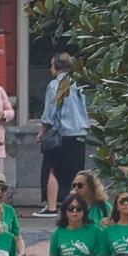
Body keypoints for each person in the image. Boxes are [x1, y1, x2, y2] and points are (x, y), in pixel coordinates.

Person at [37, 52, 91, 212]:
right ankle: (77, 205)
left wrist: (43, 130)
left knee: (52, 169)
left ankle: (52, 206)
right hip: (79, 132)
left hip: (61, 133)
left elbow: (50, 112)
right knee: (76, 173)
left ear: (56, 66)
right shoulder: (79, 84)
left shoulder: (55, 85)